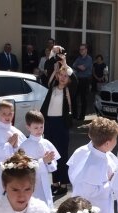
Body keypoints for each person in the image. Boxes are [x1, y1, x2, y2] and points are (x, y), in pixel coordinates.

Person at [67, 116, 118, 213]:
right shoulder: (93, 164)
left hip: (104, 205)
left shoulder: (105, 155)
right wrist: (110, 182)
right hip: (95, 209)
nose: (117, 141)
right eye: (115, 139)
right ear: (107, 143)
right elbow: (88, 191)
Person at [40, 64, 73, 197]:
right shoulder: (52, 88)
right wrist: (56, 67)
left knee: (62, 154)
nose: (63, 78)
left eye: (66, 76)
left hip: (61, 123)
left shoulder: (69, 90)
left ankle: (64, 184)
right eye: (60, 75)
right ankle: (55, 183)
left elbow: (74, 79)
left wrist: (65, 63)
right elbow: (48, 78)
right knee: (51, 154)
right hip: (49, 123)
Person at [19, 110, 58, 207]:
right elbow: (23, 167)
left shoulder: (46, 143)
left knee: (47, 205)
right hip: (31, 183)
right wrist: (42, 161)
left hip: (45, 180)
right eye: (35, 128)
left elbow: (53, 166)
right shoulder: (24, 146)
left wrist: (49, 162)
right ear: (28, 127)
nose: (39, 130)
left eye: (41, 127)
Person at [71, 43, 93, 120]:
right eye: (80, 49)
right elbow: (73, 66)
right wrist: (78, 67)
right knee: (73, 97)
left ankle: (82, 116)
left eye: (82, 49)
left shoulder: (89, 59)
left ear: (86, 50)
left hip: (85, 80)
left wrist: (78, 67)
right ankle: (75, 115)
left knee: (83, 99)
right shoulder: (79, 58)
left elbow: (83, 68)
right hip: (77, 80)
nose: (81, 50)